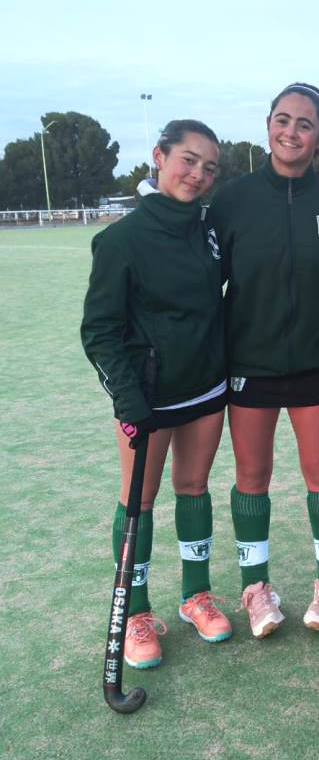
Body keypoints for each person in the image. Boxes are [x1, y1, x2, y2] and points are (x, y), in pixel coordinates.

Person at [82, 120, 231, 670]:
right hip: (147, 398)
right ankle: (136, 613)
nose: (197, 174)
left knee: (193, 489)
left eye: (209, 168)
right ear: (160, 156)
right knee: (138, 501)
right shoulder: (121, 239)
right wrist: (127, 398)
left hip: (205, 389)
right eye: (188, 160)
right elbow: (98, 329)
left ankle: (196, 595)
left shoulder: (208, 229)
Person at [208, 83, 319, 636]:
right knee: (252, 477)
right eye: (282, 120)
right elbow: (204, 281)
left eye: (305, 123)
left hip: (315, 364)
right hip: (250, 365)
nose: (291, 131)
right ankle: (256, 590)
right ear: (268, 124)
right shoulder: (234, 199)